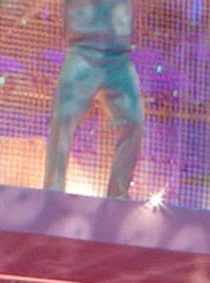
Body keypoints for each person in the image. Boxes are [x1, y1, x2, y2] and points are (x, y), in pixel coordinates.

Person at [41, 0, 145, 197]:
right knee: (63, 118)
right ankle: (53, 190)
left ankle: (118, 194)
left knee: (134, 122)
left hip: (118, 56)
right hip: (82, 51)